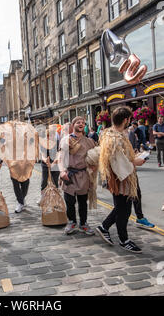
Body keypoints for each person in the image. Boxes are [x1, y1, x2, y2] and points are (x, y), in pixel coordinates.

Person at [96, 106, 146, 253]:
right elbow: (119, 162)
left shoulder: (112, 134)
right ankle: (123, 240)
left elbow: (121, 157)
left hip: (121, 176)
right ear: (126, 120)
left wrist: (133, 157)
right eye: (129, 120)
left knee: (122, 207)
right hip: (121, 178)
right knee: (123, 209)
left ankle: (104, 227)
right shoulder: (114, 138)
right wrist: (135, 162)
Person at [58, 116, 97, 235]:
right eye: (78, 122)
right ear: (73, 125)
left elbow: (94, 156)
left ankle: (83, 224)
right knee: (69, 201)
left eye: (83, 123)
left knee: (82, 201)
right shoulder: (66, 140)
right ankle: (72, 222)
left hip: (83, 174)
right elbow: (60, 157)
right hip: (69, 174)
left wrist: (94, 166)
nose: (81, 124)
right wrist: (61, 171)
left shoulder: (89, 141)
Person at [38, 125, 60, 206]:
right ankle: (42, 197)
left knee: (55, 181)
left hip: (55, 164)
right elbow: (43, 155)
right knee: (44, 181)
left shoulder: (57, 142)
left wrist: (53, 163)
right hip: (45, 164)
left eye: (51, 135)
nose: (50, 137)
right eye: (48, 136)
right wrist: (46, 161)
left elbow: (59, 153)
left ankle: (55, 199)